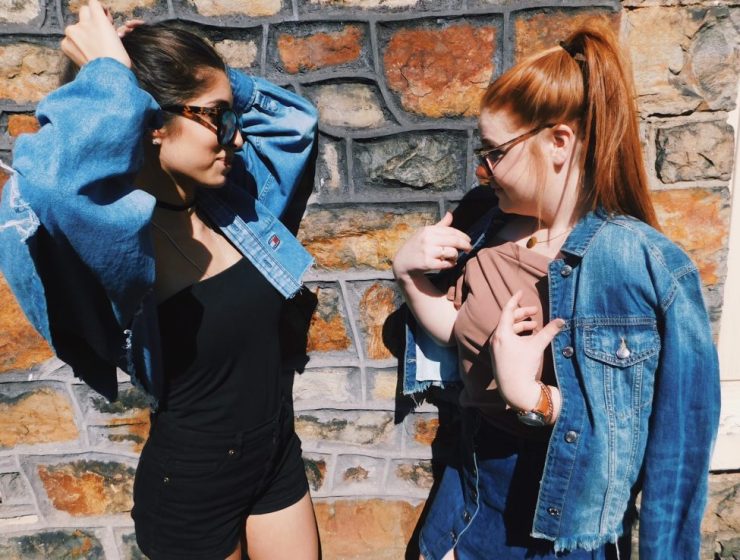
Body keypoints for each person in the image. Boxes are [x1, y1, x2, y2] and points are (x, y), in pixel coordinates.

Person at [0, 1, 321, 558]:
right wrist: (110, 77)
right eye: (219, 118)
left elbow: (296, 124)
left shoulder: (236, 207)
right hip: (194, 483)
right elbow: (47, 189)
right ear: (151, 124)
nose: (236, 138)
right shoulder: (115, 243)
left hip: (275, 453)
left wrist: (199, 78)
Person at [392, 20, 720, 560]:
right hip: (464, 506)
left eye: (496, 152)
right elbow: (458, 332)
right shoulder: (485, 222)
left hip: (561, 531)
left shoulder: (645, 265)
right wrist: (408, 276)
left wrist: (533, 397)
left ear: (559, 142)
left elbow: (671, 456)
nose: (482, 169)